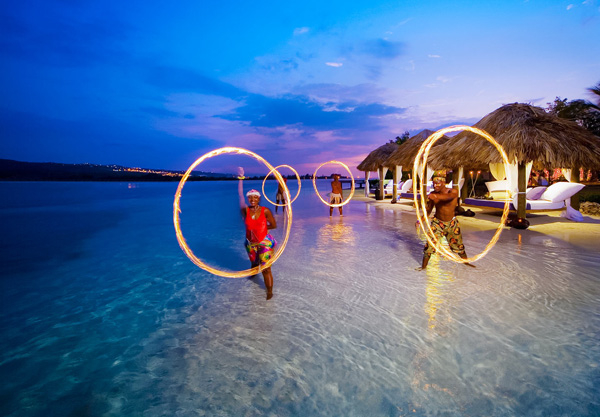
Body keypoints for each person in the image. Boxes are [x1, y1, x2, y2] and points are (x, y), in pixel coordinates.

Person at [417, 171, 475, 270]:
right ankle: (423, 267)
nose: (435, 185)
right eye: (434, 184)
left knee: (458, 246)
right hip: (437, 223)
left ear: (444, 183)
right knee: (429, 246)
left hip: (452, 223)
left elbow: (448, 198)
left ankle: (466, 262)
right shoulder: (433, 194)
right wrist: (420, 221)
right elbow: (429, 210)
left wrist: (436, 196)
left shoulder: (453, 192)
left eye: (438, 183)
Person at [238, 168, 277, 300]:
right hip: (250, 243)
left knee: (266, 269)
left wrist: (263, 229)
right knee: (254, 263)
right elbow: (240, 195)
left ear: (259, 199)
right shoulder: (245, 211)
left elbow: (274, 225)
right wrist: (240, 179)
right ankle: (253, 274)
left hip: (264, 241)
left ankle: (269, 292)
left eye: (255, 197)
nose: (252, 199)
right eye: (250, 197)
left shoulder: (265, 211)